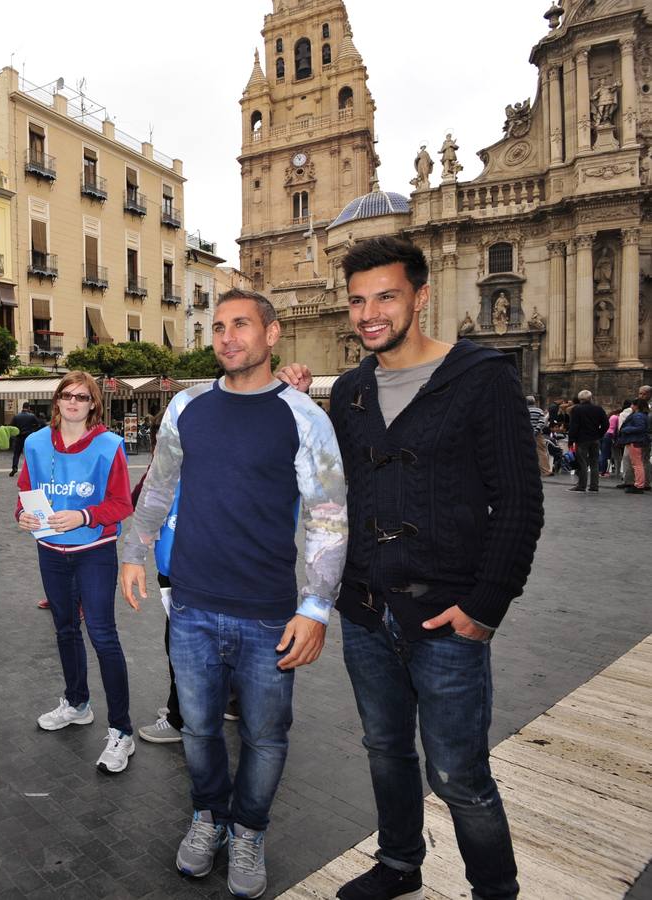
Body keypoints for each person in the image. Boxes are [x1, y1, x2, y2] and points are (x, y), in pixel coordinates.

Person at [284, 236, 543, 900]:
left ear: (421, 296)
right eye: (357, 301)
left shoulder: (482, 377)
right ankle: (400, 863)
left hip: (447, 618)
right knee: (385, 751)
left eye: (386, 297)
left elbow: (519, 500)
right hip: (367, 615)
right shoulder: (350, 391)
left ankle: (495, 890)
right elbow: (332, 493)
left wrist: (486, 606)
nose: (369, 313)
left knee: (458, 775)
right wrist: (292, 407)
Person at [121, 289, 348, 898]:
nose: (226, 336)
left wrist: (315, 606)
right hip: (190, 606)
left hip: (269, 615)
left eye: (241, 324)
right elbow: (158, 486)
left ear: (271, 335)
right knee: (198, 731)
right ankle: (207, 816)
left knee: (265, 737)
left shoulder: (304, 417)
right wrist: (134, 550)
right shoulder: (186, 406)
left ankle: (248, 830)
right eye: (218, 326)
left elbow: (328, 517)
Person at [16, 370, 136, 773]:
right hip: (50, 551)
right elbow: (25, 493)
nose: (73, 402)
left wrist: (84, 515)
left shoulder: (109, 445)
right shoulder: (35, 443)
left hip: (94, 552)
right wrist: (22, 515)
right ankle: (77, 703)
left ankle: (121, 731)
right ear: (57, 401)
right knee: (65, 629)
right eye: (67, 395)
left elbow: (122, 504)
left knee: (102, 635)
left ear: (93, 404)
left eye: (82, 397)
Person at [567, 390, 607, 493]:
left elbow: (574, 426)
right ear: (590, 398)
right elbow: (606, 424)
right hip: (595, 438)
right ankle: (594, 486)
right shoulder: (598, 408)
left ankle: (581, 485)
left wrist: (571, 440)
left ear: (580, 399)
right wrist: (599, 434)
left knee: (582, 462)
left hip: (582, 439)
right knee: (594, 462)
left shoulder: (577, 409)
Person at [618, 398, 649, 494]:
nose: (631, 406)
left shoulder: (638, 415)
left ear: (636, 406)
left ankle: (639, 485)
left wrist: (626, 429)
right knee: (638, 463)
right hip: (639, 440)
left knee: (637, 464)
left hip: (635, 440)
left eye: (632, 404)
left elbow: (640, 427)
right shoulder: (643, 415)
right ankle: (639, 483)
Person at [9, 402, 43, 477]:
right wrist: (33, 430)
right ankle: (31, 469)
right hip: (28, 437)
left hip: (19, 437)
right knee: (30, 454)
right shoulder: (32, 416)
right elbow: (38, 425)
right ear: (29, 408)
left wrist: (16, 433)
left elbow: (11, 426)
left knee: (16, 453)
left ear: (22, 407)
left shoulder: (16, 416)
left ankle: (14, 467)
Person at [525, 395, 550, 476]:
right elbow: (542, 422)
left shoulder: (524, 411)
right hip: (538, 434)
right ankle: (545, 470)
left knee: (526, 451)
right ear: (534, 402)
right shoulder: (539, 410)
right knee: (541, 451)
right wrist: (536, 431)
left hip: (526, 433)